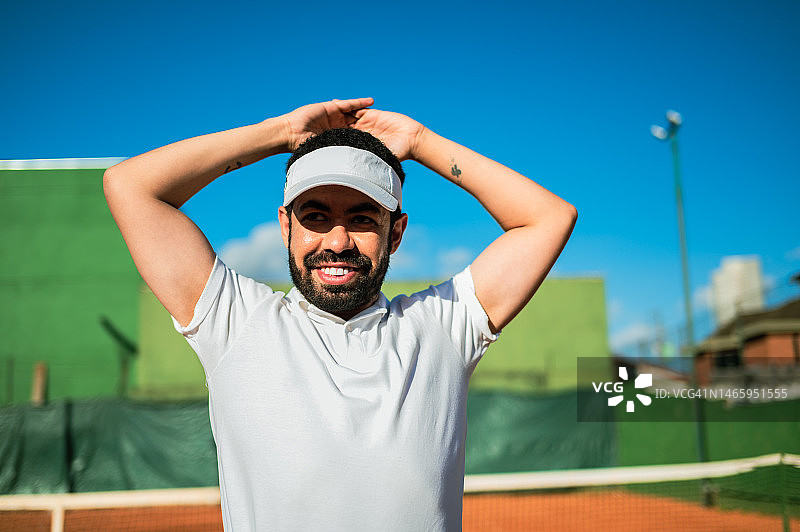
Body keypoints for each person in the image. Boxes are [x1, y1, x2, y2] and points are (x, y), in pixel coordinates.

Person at [103, 97, 577, 531]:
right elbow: (130, 185)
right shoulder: (235, 321)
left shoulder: (443, 325)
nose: (337, 242)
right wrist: (281, 132)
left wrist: (419, 142)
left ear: (395, 234)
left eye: (363, 218)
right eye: (315, 216)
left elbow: (548, 217)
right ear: (286, 226)